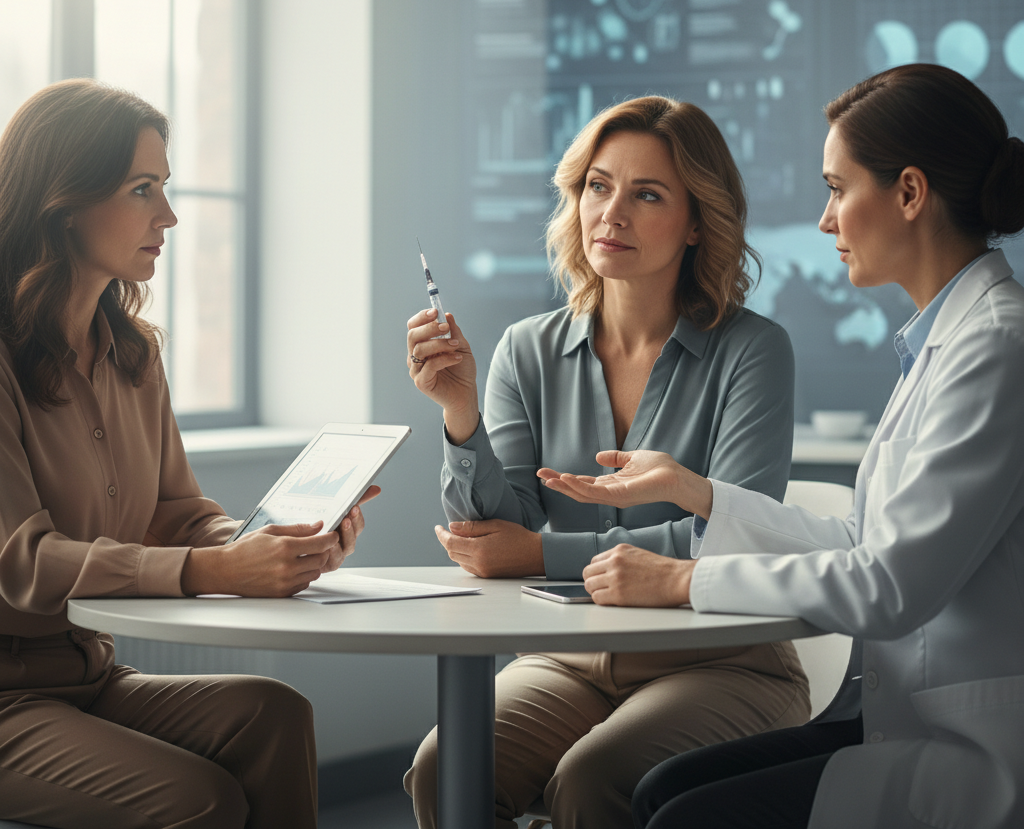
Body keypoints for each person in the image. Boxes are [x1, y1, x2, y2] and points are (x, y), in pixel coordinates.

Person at [542, 64, 1024, 829]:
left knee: (678, 814)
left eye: (837, 189)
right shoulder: (943, 341)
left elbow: (888, 586)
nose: (826, 220)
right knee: (659, 792)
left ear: (908, 194)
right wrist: (697, 491)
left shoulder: (995, 348)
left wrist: (684, 582)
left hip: (967, 745)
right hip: (898, 712)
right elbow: (868, 543)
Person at [403, 96, 811, 829]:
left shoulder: (753, 351)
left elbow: (732, 535)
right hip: (569, 660)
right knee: (444, 771)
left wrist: (545, 552)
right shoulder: (526, 348)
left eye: (646, 194)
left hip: (720, 661)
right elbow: (500, 537)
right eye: (598, 186)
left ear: (696, 223)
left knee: (593, 783)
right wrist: (459, 415)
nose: (611, 213)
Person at [0, 79, 378, 829]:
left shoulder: (133, 356)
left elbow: (176, 513)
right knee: (198, 800)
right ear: (65, 201)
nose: (167, 215)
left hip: (90, 675)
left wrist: (270, 544)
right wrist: (212, 571)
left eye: (164, 188)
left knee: (273, 715)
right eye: (143, 190)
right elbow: (21, 562)